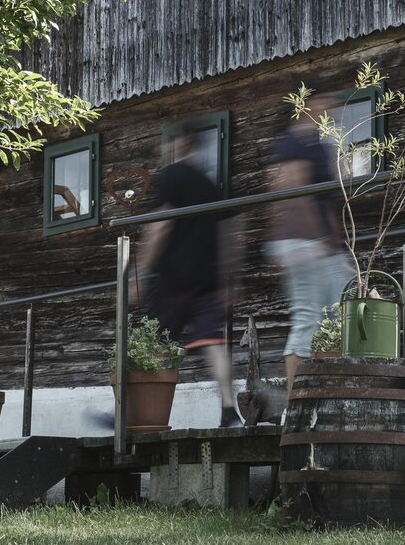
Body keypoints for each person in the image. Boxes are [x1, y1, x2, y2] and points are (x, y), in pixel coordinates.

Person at [134, 122, 242, 428]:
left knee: (153, 343)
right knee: (213, 344)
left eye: (168, 142)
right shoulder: (211, 185)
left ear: (180, 143)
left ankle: (138, 415)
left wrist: (140, 271)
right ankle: (229, 410)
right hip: (208, 279)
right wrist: (230, 279)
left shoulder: (171, 176)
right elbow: (231, 231)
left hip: (172, 278)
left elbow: (161, 226)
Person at [267, 109, 353, 398]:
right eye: (325, 102)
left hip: (324, 246)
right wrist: (322, 237)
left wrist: (334, 241)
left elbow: (327, 197)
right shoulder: (292, 142)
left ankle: (330, 396)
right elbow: (293, 192)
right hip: (302, 244)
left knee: (343, 313)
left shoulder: (318, 145)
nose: (331, 111)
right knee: (308, 318)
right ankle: (294, 404)